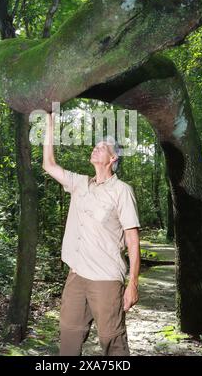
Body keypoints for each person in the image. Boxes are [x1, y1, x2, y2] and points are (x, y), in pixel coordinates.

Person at [42, 112, 141, 356]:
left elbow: (132, 240)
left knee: (112, 340)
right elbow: (49, 165)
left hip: (106, 278)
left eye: (102, 147)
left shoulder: (121, 191)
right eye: (94, 146)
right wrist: (50, 123)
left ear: (113, 158)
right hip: (76, 276)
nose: (95, 149)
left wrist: (133, 284)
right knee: (68, 336)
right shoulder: (80, 183)